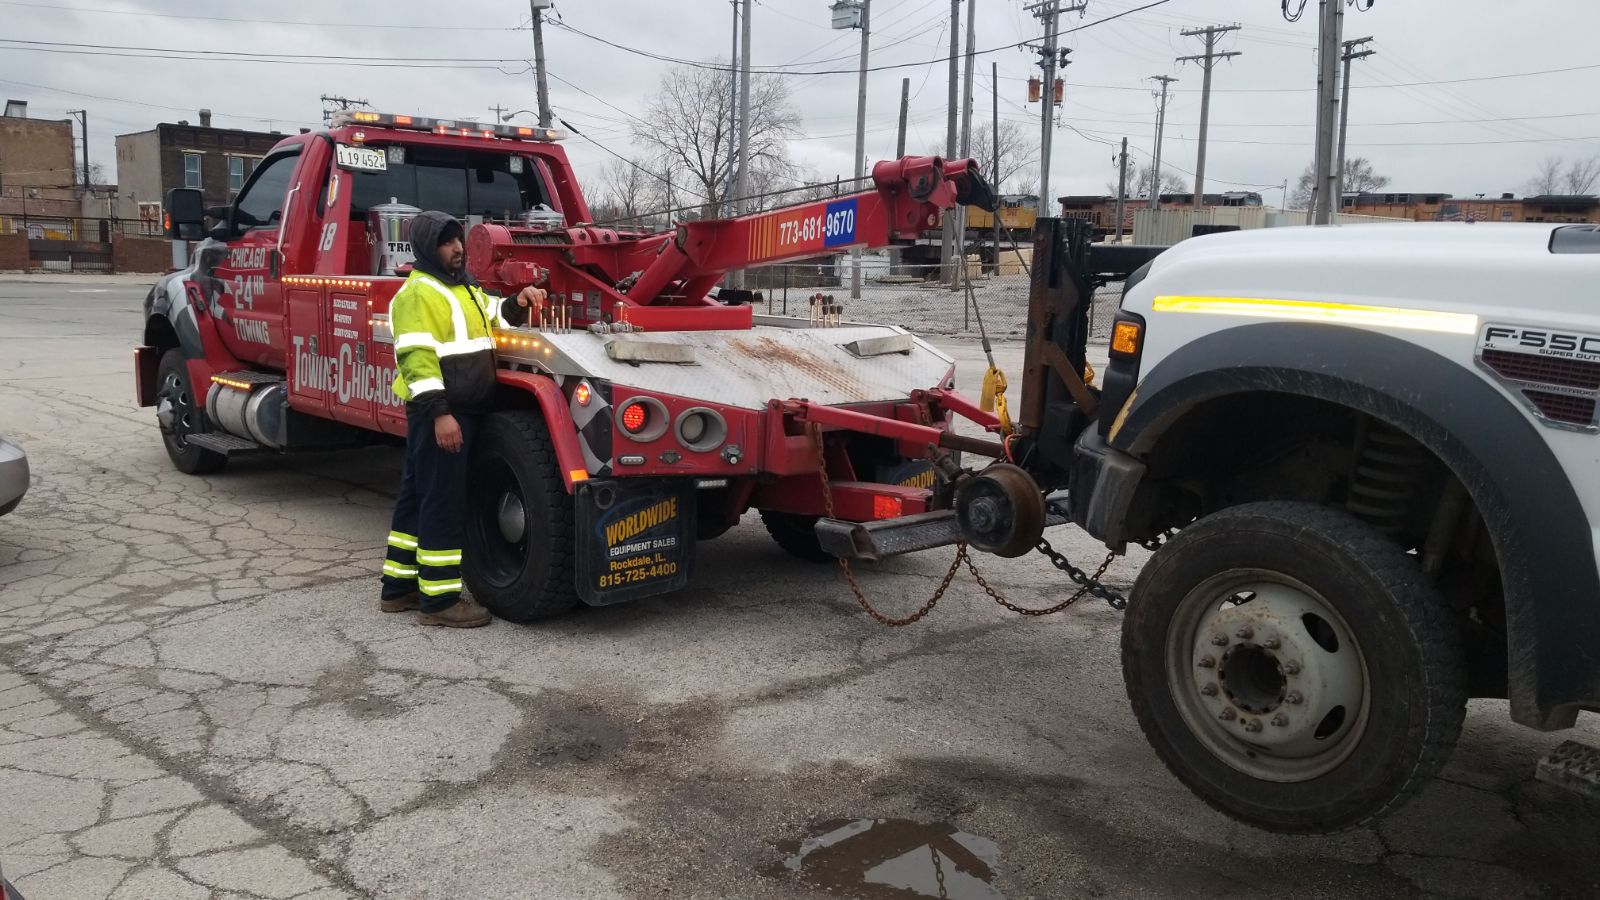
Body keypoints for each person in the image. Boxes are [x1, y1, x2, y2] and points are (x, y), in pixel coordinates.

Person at [379, 211, 545, 627]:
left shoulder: (463, 288)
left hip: (458, 410)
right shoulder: (419, 294)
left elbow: (494, 314)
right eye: (447, 242)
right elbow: (417, 361)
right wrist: (441, 415)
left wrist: (518, 302)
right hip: (443, 412)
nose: (457, 249)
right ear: (427, 248)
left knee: (419, 496)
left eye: (459, 241)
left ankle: (398, 588)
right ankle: (438, 602)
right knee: (444, 501)